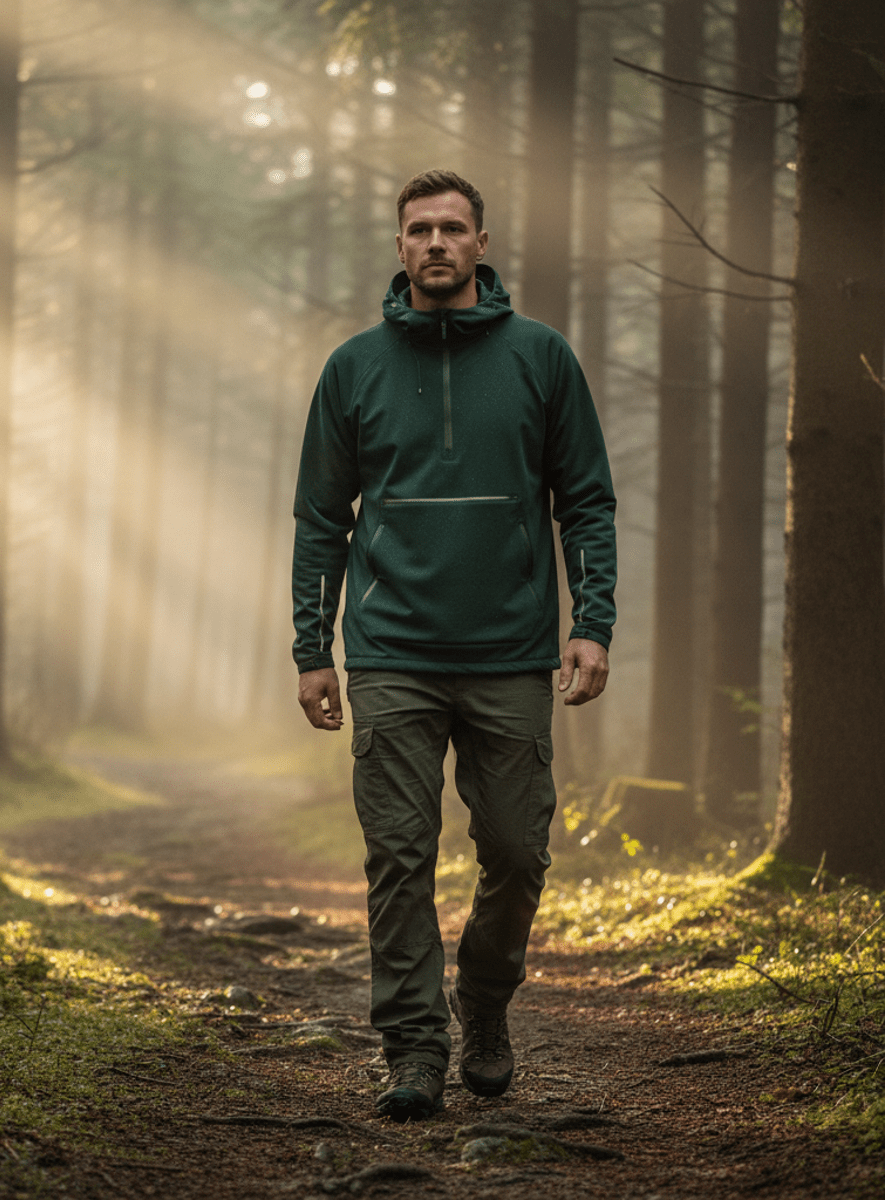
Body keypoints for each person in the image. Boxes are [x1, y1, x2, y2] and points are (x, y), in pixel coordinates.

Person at [290, 169, 616, 1122]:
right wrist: (314, 648)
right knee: (398, 855)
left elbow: (586, 501)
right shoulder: (352, 367)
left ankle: (482, 999)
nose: (436, 243)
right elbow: (320, 517)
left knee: (517, 852)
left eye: (453, 229)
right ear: (399, 247)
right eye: (419, 229)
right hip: (389, 651)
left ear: (481, 243)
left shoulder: (541, 358)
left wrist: (591, 624)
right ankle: (413, 1047)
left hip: (512, 651)